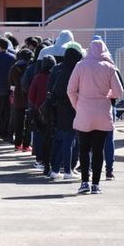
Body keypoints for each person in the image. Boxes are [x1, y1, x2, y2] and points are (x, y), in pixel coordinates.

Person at [68, 40, 123, 194]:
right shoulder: (109, 67)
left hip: (84, 112)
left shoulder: (80, 66)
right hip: (102, 113)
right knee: (98, 150)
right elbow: (119, 92)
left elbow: (70, 90)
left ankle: (84, 182)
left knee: (84, 149)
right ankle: (95, 185)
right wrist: (108, 95)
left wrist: (77, 105)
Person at [47, 44, 83, 180]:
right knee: (69, 141)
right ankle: (67, 171)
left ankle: (56, 169)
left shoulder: (61, 70)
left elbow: (55, 90)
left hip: (61, 110)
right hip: (72, 109)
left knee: (65, 141)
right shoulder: (74, 72)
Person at [8, 48, 33, 151]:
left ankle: (17, 144)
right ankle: (26, 145)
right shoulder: (30, 67)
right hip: (28, 96)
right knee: (28, 123)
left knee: (18, 121)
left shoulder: (14, 68)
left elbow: (11, 84)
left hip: (18, 96)